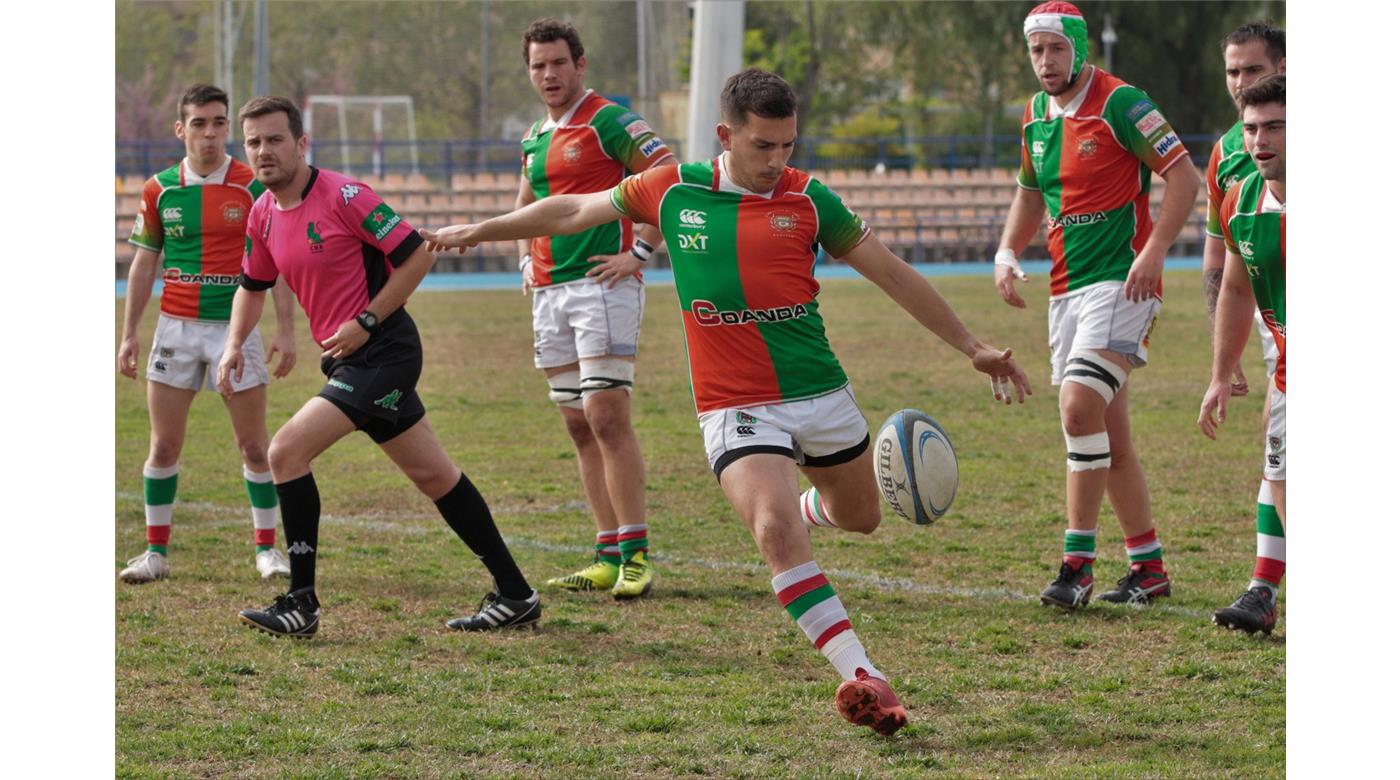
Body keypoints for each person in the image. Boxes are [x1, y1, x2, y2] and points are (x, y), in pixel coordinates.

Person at [422, 68, 1031, 736]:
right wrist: (478, 230)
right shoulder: (674, 188)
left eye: (788, 147)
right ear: (726, 135)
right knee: (772, 531)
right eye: (763, 146)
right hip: (735, 405)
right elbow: (571, 210)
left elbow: (891, 272)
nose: (777, 161)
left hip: (820, 393)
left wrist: (971, 346)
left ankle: (804, 511)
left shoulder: (809, 199)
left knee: (860, 518)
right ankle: (863, 675)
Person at [219, 96, 540, 638]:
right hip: (349, 358)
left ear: (301, 144)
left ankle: (301, 602)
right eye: (253, 142)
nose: (263, 151)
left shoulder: (346, 196)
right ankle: (515, 594)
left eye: (275, 139)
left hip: (384, 350)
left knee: (285, 451)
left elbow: (418, 254)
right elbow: (253, 286)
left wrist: (365, 320)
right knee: (435, 476)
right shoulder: (262, 213)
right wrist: (233, 345)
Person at [993, 2, 1200, 609]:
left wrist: (1157, 249)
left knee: (1078, 407)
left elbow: (1184, 176)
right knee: (1111, 437)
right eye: (1037, 51)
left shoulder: (1122, 102)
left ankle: (1076, 565)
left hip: (1123, 280)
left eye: (1057, 49)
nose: (1046, 61)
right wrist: (1007, 251)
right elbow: (1031, 193)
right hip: (1066, 290)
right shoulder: (1034, 116)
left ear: (1080, 50)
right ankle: (1149, 567)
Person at [516, 18, 678, 599]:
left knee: (608, 416)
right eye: (538, 65)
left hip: (601, 287)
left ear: (579, 65)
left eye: (558, 62)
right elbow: (529, 202)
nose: (549, 74)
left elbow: (668, 177)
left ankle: (636, 554)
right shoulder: (535, 135)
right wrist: (522, 259)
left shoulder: (609, 120)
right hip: (550, 292)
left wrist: (640, 251)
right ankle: (606, 551)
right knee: (578, 424)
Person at [118, 84, 296, 584]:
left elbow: (276, 261)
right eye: (199, 123)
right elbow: (144, 262)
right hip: (174, 329)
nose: (211, 133)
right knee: (164, 446)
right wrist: (130, 333)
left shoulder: (251, 186)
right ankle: (155, 553)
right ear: (181, 129)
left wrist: (285, 330)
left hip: (235, 331)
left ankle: (267, 550)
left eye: (219, 122)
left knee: (255, 448)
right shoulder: (159, 190)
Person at [1202, 22, 1286, 631]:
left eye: (1274, 126)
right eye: (1252, 129)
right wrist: (1219, 372)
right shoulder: (1241, 195)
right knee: (1280, 468)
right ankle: (1264, 589)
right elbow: (1232, 285)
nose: (1256, 139)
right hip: (1286, 360)